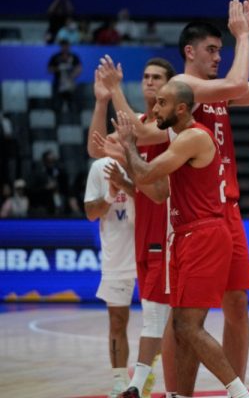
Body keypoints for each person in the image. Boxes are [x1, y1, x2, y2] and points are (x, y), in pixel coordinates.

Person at [104, 0, 249, 384]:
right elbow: (237, 82)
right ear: (190, 51)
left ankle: (234, 386)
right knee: (185, 313)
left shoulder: (217, 93)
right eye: (211, 49)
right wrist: (241, 35)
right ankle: (177, 390)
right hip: (194, 216)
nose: (217, 56)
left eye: (221, 49)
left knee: (238, 303)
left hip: (229, 211)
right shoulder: (185, 85)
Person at [97, 81, 249, 398]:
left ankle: (240, 394)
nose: (154, 109)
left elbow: (149, 173)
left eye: (162, 103)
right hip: (184, 236)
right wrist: (128, 161)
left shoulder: (193, 137)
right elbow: (156, 192)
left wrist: (128, 145)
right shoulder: (180, 143)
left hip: (204, 236)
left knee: (187, 326)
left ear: (181, 108)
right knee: (180, 328)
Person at [88, 57, 179, 398]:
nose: (149, 83)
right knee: (159, 318)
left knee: (165, 318)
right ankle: (143, 380)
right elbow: (96, 147)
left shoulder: (171, 126)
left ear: (171, 86)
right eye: (145, 77)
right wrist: (101, 100)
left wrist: (114, 91)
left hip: (169, 228)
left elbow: (137, 141)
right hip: (140, 233)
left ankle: (146, 383)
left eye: (157, 77)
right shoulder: (138, 123)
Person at [84, 157, 136, 398]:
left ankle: (150, 377)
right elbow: (91, 213)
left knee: (165, 322)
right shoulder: (99, 167)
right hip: (118, 255)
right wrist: (110, 194)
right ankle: (120, 383)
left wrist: (125, 183)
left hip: (152, 250)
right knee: (117, 321)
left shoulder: (149, 158)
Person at [47, 39, 82, 114]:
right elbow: (49, 69)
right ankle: (57, 122)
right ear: (61, 47)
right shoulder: (55, 57)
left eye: (67, 46)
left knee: (73, 106)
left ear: (69, 47)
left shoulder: (74, 57)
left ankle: (74, 122)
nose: (65, 48)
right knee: (57, 106)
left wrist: (72, 75)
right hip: (58, 84)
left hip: (71, 84)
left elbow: (79, 68)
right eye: (63, 46)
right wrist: (59, 68)